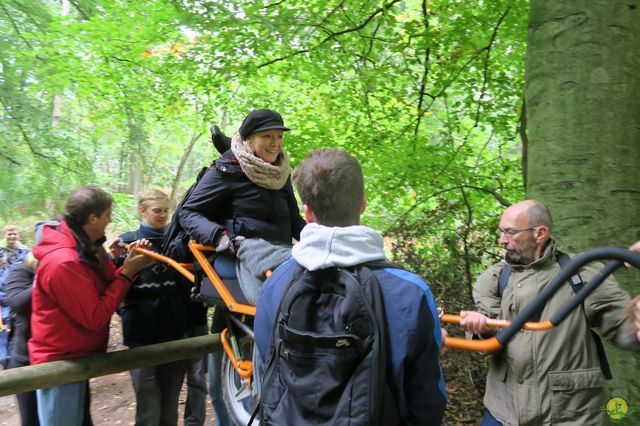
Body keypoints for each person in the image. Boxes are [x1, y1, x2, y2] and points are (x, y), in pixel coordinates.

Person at [254, 148, 447, 424]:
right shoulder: (411, 293)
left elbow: (267, 364)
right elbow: (427, 399)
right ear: (363, 205)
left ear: (306, 213)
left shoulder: (276, 285)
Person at [458, 199, 640, 426]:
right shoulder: (493, 279)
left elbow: (619, 327)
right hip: (503, 414)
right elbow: (489, 341)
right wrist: (482, 329)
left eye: (510, 232)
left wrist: (635, 325)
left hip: (573, 416)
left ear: (540, 233)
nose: (502, 240)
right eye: (501, 232)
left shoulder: (582, 272)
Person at [177, 109, 306, 425]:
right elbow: (189, 213)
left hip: (280, 258)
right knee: (274, 312)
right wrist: (220, 236)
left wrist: (322, 239)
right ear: (248, 139)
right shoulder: (228, 169)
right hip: (239, 255)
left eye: (278, 137)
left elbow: (293, 221)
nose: (275, 144)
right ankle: (265, 399)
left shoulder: (280, 172)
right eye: (267, 137)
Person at [28, 186, 153, 426]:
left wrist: (124, 263)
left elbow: (100, 286)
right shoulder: (63, 262)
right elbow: (94, 315)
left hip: (77, 357)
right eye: (108, 214)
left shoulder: (85, 246)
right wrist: (127, 272)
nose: (111, 219)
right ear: (92, 218)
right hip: (58, 363)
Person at [111, 188, 193, 426]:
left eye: (166, 211)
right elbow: (115, 286)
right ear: (142, 210)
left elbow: (186, 284)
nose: (162, 216)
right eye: (157, 211)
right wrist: (120, 259)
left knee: (169, 408)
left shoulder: (176, 241)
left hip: (175, 335)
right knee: (148, 409)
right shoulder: (127, 242)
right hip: (142, 338)